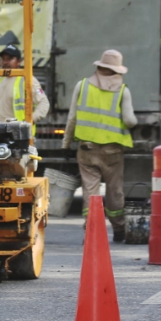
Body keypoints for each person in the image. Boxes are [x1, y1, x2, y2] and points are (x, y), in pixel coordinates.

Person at [61, 49, 137, 243]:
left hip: (87, 149)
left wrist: (66, 143)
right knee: (114, 190)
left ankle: (91, 230)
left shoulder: (82, 86)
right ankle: (119, 229)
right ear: (116, 70)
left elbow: (72, 118)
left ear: (100, 67)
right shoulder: (123, 90)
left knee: (90, 191)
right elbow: (129, 120)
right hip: (112, 151)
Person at [0, 44, 49, 133]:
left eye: (9, 59)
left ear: (19, 61)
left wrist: (30, 120)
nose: (5, 62)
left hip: (18, 135)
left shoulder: (27, 80)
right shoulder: (0, 80)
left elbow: (44, 103)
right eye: (3, 59)